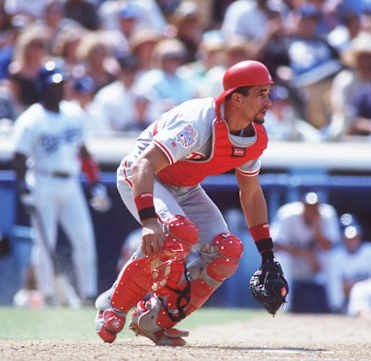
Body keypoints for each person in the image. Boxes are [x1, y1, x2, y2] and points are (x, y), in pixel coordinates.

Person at [94, 60, 287, 346]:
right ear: (237, 97)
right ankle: (113, 306)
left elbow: (251, 193)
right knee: (178, 233)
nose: (268, 102)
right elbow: (143, 164)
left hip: (183, 186)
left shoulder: (254, 136)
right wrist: (149, 221)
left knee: (228, 251)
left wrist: (267, 253)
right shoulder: (198, 121)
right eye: (261, 93)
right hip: (144, 176)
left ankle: (156, 318)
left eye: (269, 93)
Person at [11, 60, 110, 306]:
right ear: (43, 86)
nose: (60, 88)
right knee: (45, 242)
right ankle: (48, 295)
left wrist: (95, 182)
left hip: (71, 183)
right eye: (55, 84)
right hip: (43, 181)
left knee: (84, 238)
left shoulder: (73, 113)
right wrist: (23, 187)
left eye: (62, 83)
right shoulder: (31, 118)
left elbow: (84, 152)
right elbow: (19, 157)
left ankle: (88, 294)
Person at [272, 191, 340, 313]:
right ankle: (282, 307)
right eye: (308, 206)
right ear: (302, 205)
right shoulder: (287, 214)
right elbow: (276, 246)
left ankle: (336, 306)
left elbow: (329, 247)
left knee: (333, 259)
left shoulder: (327, 214)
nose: (311, 209)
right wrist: (305, 254)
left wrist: (317, 228)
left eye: (315, 207)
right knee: (282, 258)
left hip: (315, 263)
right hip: (295, 262)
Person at [329, 213, 371, 313]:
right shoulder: (335, 256)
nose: (352, 240)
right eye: (348, 237)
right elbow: (335, 289)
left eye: (354, 236)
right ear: (341, 238)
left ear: (360, 234)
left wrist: (356, 285)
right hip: (347, 305)